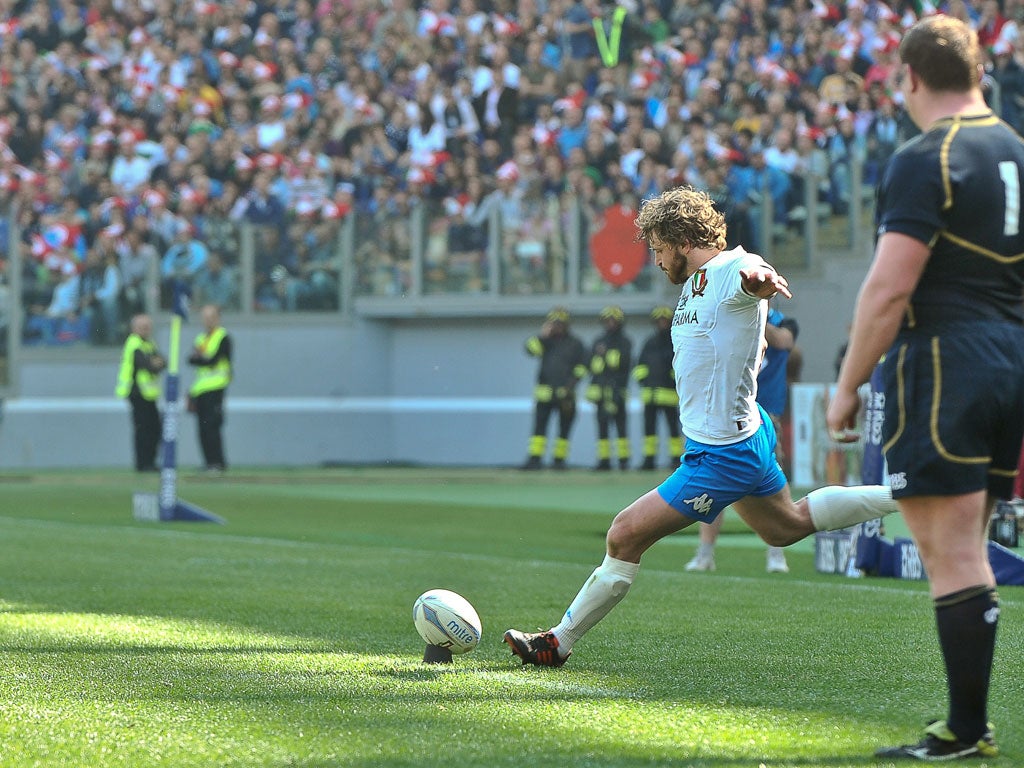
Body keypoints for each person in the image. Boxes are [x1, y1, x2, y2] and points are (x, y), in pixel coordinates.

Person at [504, 185, 897, 672]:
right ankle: (910, 492)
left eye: (657, 248)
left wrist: (761, 280)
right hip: (741, 437)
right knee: (785, 528)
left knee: (624, 534)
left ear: (680, 238)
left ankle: (557, 642)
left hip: (723, 452)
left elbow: (750, 277)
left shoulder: (732, 267)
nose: (655, 259)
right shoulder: (693, 284)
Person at [827, 16, 1023, 761]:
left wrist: (848, 386)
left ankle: (965, 731)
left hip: (945, 360)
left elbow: (888, 288)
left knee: (950, 552)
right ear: (977, 69)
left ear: (909, 76)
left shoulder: (927, 154)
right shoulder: (1016, 150)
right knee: (967, 545)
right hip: (1009, 357)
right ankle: (968, 726)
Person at [685, 306, 799, 574]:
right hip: (729, 412)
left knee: (774, 483)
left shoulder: (783, 322)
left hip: (767, 414)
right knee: (712, 480)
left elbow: (784, 341)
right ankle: (705, 554)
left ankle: (776, 553)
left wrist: (755, 316)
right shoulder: (731, 315)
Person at [521, 307, 588, 470]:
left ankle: (559, 461)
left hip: (566, 395)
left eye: (560, 323)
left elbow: (583, 367)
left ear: (566, 324)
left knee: (564, 430)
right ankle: (535, 459)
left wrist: (570, 385)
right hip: (544, 395)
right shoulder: (545, 342)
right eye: (554, 323)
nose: (557, 326)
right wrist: (543, 335)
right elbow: (529, 349)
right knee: (539, 429)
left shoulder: (575, 343)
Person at [632, 306, 681, 471]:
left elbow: (680, 367)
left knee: (673, 429)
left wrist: (673, 382)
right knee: (649, 430)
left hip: (668, 395)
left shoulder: (675, 341)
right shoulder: (649, 342)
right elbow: (639, 366)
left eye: (664, 320)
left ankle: (676, 459)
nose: (661, 323)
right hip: (649, 394)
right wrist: (643, 381)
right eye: (659, 321)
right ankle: (649, 459)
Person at [115, 313, 165, 472]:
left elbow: (163, 362)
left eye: (148, 327)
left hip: (149, 393)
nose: (146, 330)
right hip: (137, 393)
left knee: (154, 428)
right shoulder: (134, 344)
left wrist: (155, 362)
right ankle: (143, 463)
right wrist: (155, 363)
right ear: (134, 328)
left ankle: (149, 461)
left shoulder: (149, 344)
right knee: (144, 430)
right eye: (142, 327)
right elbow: (149, 365)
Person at [187, 304, 232, 474]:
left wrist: (201, 358)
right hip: (201, 390)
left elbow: (212, 360)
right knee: (202, 428)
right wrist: (201, 358)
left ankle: (217, 462)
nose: (208, 320)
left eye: (211, 317)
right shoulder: (201, 338)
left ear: (218, 318)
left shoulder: (223, 337)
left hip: (216, 388)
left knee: (213, 426)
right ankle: (208, 462)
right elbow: (191, 359)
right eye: (205, 317)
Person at [587, 305, 632, 471]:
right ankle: (603, 461)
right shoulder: (598, 341)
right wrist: (602, 356)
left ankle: (623, 461)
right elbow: (594, 367)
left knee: (621, 427)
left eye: (613, 320)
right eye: (607, 320)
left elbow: (619, 364)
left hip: (617, 391)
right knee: (602, 428)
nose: (610, 323)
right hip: (600, 393)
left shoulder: (625, 342)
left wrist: (604, 354)